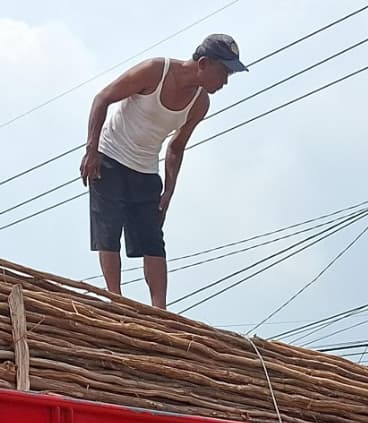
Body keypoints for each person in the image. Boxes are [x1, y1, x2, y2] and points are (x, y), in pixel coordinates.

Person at [81, 34, 248, 309]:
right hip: (110, 155)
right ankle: (115, 299)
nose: (225, 82)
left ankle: (160, 310)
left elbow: (176, 147)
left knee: (152, 240)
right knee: (108, 231)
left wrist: (169, 191)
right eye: (224, 73)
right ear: (204, 64)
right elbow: (102, 98)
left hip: (146, 168)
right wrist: (91, 150)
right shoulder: (155, 71)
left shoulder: (200, 103)